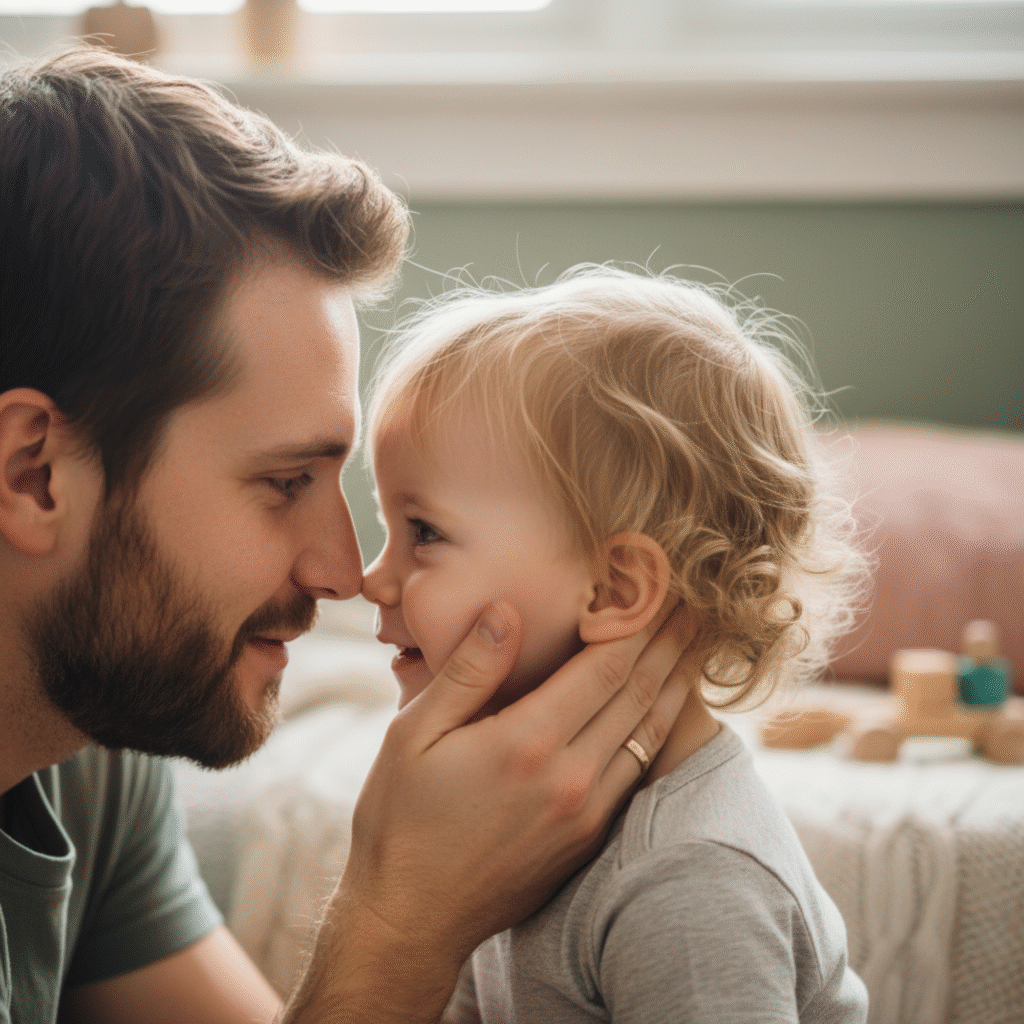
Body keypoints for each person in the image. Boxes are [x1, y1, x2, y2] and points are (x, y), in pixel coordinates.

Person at [0, 47, 695, 1024]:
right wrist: (399, 925)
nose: (344, 573)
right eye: (284, 482)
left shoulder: (84, 741)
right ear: (34, 473)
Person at [362, 265, 872, 1022]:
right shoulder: (494, 823)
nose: (374, 579)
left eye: (425, 533)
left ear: (614, 591)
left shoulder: (688, 883)